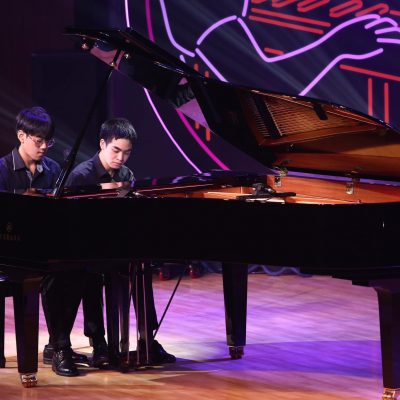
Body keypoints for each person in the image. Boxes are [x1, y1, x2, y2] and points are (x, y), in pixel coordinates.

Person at [63, 117, 175, 366]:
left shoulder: (126, 174)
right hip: (86, 249)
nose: (121, 158)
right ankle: (99, 343)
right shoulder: (81, 176)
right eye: (116, 150)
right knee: (89, 276)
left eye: (127, 153)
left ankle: (147, 339)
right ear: (102, 144)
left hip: (117, 246)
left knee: (142, 269)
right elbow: (70, 221)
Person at [0, 106, 88, 377]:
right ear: (21, 136)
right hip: (9, 250)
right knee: (50, 276)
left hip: (43, 246)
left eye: (48, 142)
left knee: (78, 272)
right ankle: (61, 348)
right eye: (38, 141)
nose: (44, 148)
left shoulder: (53, 169)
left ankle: (56, 344)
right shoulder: (2, 169)